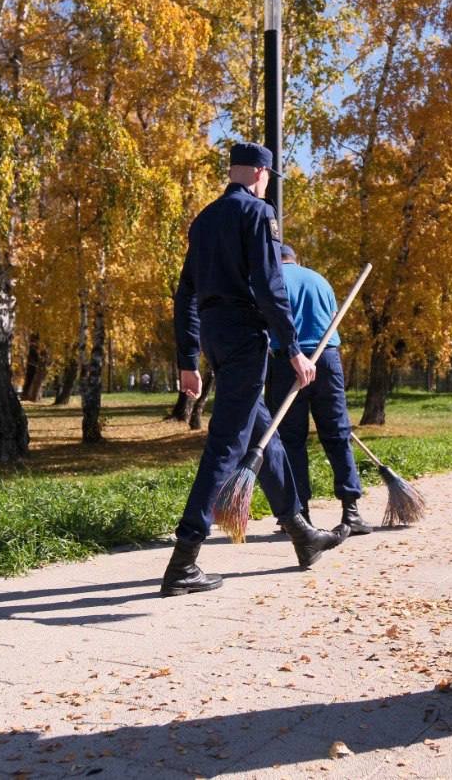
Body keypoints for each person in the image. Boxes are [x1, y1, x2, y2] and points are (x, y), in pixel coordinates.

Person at [165, 142, 346, 596]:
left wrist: (188, 357)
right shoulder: (257, 214)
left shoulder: (205, 218)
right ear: (262, 173)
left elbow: (185, 292)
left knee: (266, 432)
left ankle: (301, 532)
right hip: (246, 336)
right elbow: (269, 285)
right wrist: (293, 349)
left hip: (213, 333)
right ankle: (184, 558)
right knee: (226, 445)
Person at [265, 244, 370, 535]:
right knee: (338, 434)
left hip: (290, 361)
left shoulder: (273, 280)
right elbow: (333, 314)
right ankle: (351, 512)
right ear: (296, 260)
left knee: (291, 441)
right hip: (328, 359)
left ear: (276, 261)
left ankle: (301, 517)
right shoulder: (320, 280)